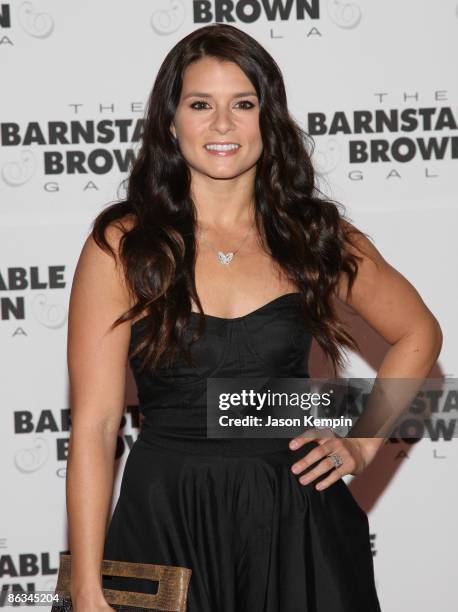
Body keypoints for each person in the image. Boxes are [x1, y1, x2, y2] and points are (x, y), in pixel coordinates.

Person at [65, 23, 442, 612]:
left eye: (243, 104)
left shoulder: (314, 236)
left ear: (268, 119)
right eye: (200, 105)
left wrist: (364, 445)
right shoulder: (124, 246)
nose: (222, 124)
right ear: (171, 120)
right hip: (167, 521)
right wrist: (88, 587)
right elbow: (94, 426)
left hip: (297, 521)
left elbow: (420, 332)